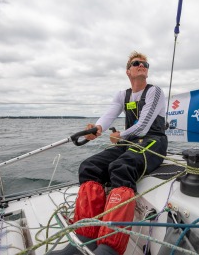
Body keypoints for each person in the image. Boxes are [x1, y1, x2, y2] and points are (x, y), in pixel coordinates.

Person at [71, 51, 168, 255]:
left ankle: (109, 246)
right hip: (129, 142)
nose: (142, 65)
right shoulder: (122, 95)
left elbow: (143, 126)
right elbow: (109, 115)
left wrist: (121, 135)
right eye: (137, 63)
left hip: (153, 141)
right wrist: (96, 129)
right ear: (128, 71)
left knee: (121, 167)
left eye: (145, 64)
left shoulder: (154, 92)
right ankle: (85, 235)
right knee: (89, 167)